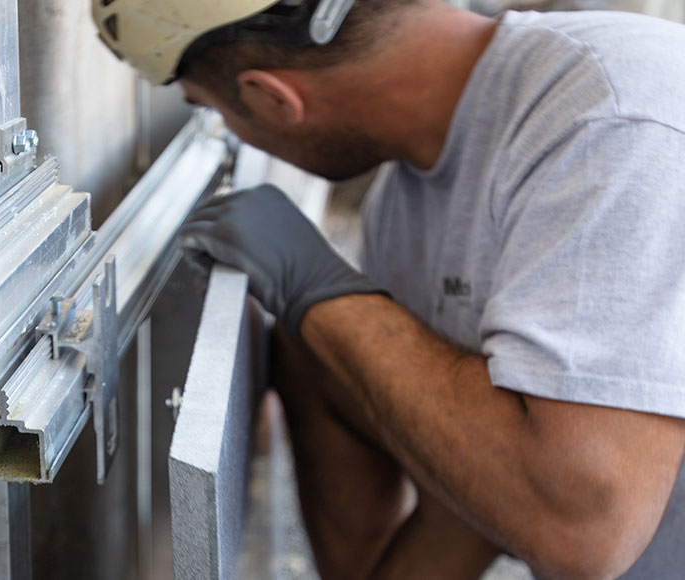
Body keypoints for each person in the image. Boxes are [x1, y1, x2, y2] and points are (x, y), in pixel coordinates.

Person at [93, 1, 685, 578]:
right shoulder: (407, 201)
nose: (233, 135)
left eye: (216, 111)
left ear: (273, 98)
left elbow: (582, 530)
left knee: (338, 330)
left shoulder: (612, 124)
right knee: (323, 351)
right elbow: (474, 493)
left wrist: (323, 292)